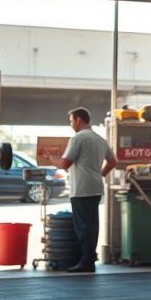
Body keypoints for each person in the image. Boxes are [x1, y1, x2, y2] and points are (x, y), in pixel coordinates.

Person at [57, 107, 117, 273]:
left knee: (83, 226)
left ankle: (86, 261)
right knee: (91, 225)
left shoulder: (78, 138)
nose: (71, 125)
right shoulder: (99, 139)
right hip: (96, 186)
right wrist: (101, 174)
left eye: (71, 121)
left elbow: (65, 164)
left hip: (81, 188)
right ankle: (89, 258)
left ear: (78, 120)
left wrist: (51, 158)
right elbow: (113, 161)